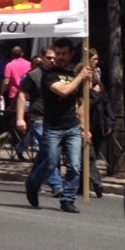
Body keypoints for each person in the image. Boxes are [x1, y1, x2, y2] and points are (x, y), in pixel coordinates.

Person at [25, 37, 93, 214]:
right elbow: (63, 91)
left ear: (71, 55)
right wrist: (80, 77)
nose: (60, 57)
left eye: (64, 54)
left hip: (72, 127)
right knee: (50, 163)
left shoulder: (75, 73)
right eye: (58, 53)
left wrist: (84, 127)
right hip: (53, 128)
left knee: (74, 166)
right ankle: (32, 183)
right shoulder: (49, 74)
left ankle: (67, 199)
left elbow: (80, 102)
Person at [16, 46, 63, 197]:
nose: (52, 61)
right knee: (50, 151)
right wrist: (20, 118)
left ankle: (32, 180)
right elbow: (22, 96)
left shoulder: (58, 75)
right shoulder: (33, 76)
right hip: (38, 119)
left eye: (54, 58)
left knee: (44, 152)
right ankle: (56, 185)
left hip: (54, 120)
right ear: (42, 59)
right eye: (49, 58)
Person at [75, 60, 116, 198]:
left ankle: (81, 185)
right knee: (89, 156)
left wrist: (110, 122)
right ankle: (97, 183)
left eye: (92, 73)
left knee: (91, 156)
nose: (90, 75)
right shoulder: (80, 89)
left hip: (99, 126)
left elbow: (107, 105)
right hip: (84, 126)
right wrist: (93, 93)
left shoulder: (99, 86)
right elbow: (85, 105)